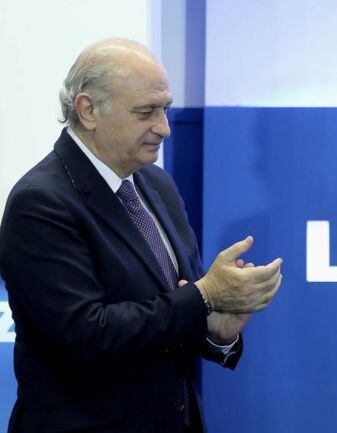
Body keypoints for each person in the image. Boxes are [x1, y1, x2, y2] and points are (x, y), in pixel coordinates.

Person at [0, 39, 283, 432]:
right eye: (146, 112)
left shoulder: (155, 184)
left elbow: (177, 303)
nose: (164, 128)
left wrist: (215, 328)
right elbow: (86, 333)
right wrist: (204, 296)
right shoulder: (41, 203)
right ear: (88, 110)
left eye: (165, 109)